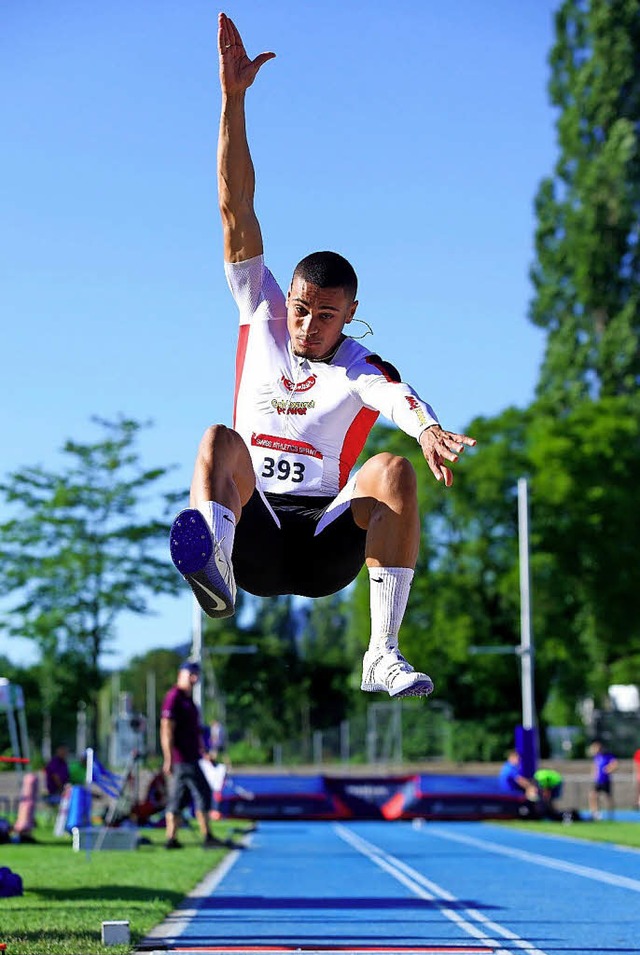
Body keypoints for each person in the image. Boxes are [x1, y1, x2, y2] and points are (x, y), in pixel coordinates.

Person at [169, 12, 476, 701]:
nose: (307, 323)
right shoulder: (261, 309)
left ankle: (383, 652)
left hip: (323, 542)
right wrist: (233, 100)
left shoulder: (358, 365)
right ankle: (212, 564)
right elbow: (233, 205)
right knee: (217, 440)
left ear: (350, 314)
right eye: (302, 307)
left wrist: (426, 428)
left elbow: (396, 398)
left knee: (393, 468)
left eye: (325, 314)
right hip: (257, 528)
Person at [160, 661, 235, 849]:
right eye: (191, 674)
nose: (194, 678)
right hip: (182, 759)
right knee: (202, 792)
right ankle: (206, 836)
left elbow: (195, 732)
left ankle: (172, 839)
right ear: (181, 674)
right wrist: (168, 758)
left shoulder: (189, 701)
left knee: (178, 797)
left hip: (192, 756)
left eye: (196, 675)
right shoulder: (174, 698)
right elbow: (166, 730)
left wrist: (204, 752)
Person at [588, 739, 618, 819]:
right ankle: (595, 813)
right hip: (598, 780)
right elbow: (595, 766)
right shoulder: (597, 756)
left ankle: (610, 814)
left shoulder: (608, 755)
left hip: (606, 780)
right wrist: (594, 773)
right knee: (593, 795)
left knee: (608, 797)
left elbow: (615, 764)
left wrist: (608, 769)